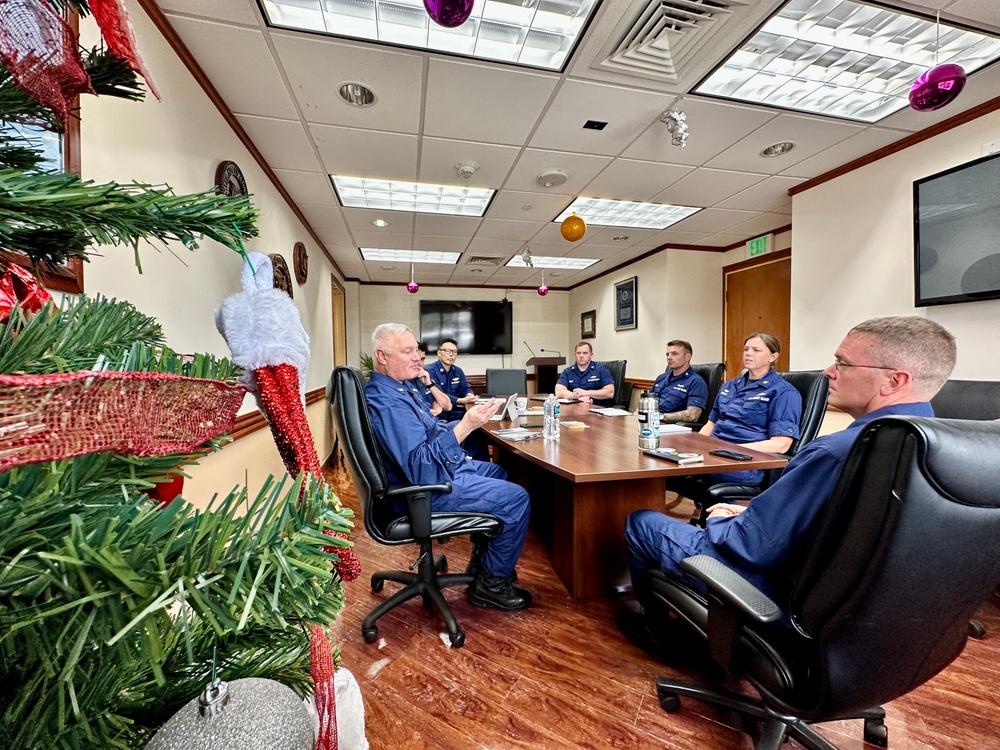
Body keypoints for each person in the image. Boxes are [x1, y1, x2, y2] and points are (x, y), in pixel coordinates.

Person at [620, 316, 956, 654]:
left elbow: (751, 545)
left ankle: (656, 630)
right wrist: (753, 511)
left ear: (894, 381)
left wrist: (722, 519)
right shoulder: (944, 447)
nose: (827, 371)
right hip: (863, 624)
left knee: (642, 523)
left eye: (842, 363)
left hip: (778, 595)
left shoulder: (835, 451)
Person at [364, 324, 532, 611]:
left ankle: (482, 564)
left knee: (497, 472)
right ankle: (491, 585)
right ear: (382, 356)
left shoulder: (399, 388)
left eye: (416, 349)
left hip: (430, 474)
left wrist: (467, 424)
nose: (418, 356)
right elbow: (421, 466)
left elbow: (432, 428)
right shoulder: (389, 402)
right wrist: (466, 425)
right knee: (516, 498)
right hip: (420, 492)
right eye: (407, 351)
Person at [699, 332, 802, 485]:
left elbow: (781, 445)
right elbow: (711, 424)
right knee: (666, 458)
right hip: (715, 454)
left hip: (746, 462)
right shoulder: (730, 385)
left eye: (756, 350)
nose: (748, 354)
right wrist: (695, 447)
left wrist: (731, 449)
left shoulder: (783, 392)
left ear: (773, 357)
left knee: (673, 470)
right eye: (746, 349)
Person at [648, 340, 708, 424]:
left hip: (671, 427)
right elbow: (647, 400)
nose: (669, 357)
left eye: (674, 354)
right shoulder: (661, 378)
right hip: (651, 422)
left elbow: (692, 415)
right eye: (667, 354)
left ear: (687, 357)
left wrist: (659, 416)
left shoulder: (696, 382)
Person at [425, 338, 477, 421]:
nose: (451, 354)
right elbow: (439, 394)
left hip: (455, 412)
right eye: (447, 351)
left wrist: (469, 395)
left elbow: (465, 388)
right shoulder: (430, 371)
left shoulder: (458, 371)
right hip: (439, 414)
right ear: (439, 353)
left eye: (454, 352)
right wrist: (461, 400)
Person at [411, 341, 452, 417]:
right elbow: (413, 414)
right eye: (416, 359)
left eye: (422, 359)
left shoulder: (425, 377)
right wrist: (435, 410)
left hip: (439, 422)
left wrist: (429, 384)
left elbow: (448, 406)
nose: (420, 363)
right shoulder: (404, 381)